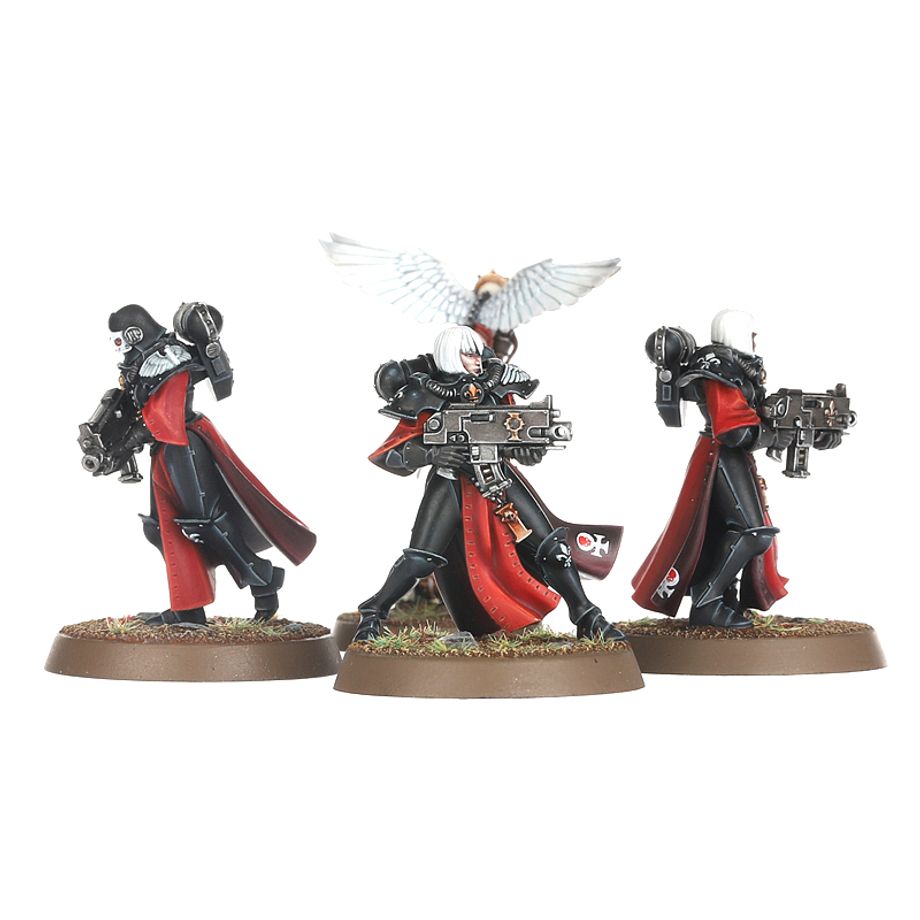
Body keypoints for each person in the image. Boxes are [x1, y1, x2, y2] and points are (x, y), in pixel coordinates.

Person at [354, 324, 624, 642]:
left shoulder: (495, 387)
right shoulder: (424, 395)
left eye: (478, 352)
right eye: (468, 353)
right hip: (450, 480)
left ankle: (587, 615)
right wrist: (432, 454)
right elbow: (392, 453)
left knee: (552, 548)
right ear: (450, 355)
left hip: (496, 476)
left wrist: (528, 450)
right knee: (420, 558)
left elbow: (514, 435)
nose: (477, 359)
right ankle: (373, 613)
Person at [89, 303, 315, 625]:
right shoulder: (138, 363)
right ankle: (189, 609)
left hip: (183, 445)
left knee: (203, 523)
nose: (118, 347)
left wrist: (126, 445)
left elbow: (164, 416)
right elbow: (136, 412)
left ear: (135, 334)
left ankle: (262, 579)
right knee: (159, 527)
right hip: (166, 449)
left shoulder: (169, 359)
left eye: (120, 339)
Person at [631, 309, 841, 627]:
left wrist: (810, 432)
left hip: (728, 456)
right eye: (751, 333)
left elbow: (756, 418)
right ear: (737, 332)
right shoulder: (719, 368)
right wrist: (775, 435)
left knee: (722, 530)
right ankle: (707, 603)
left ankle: (724, 600)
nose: (755, 339)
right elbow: (733, 431)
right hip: (720, 454)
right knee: (753, 533)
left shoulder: (737, 366)